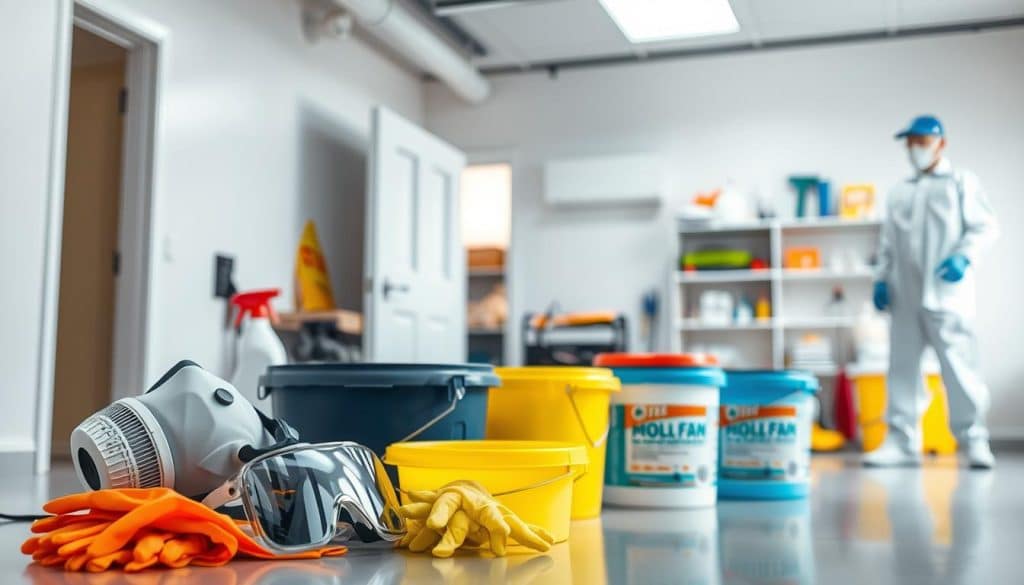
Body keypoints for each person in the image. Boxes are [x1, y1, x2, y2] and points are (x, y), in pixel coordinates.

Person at [864, 115, 999, 469]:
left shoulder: (960, 183)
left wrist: (963, 258)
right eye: (911, 143)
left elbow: (984, 228)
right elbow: (887, 244)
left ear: (942, 143)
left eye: (922, 142)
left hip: (946, 294)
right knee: (902, 370)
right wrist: (881, 279)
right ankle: (901, 442)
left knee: (960, 369)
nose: (916, 149)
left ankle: (974, 440)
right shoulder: (899, 191)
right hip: (904, 295)